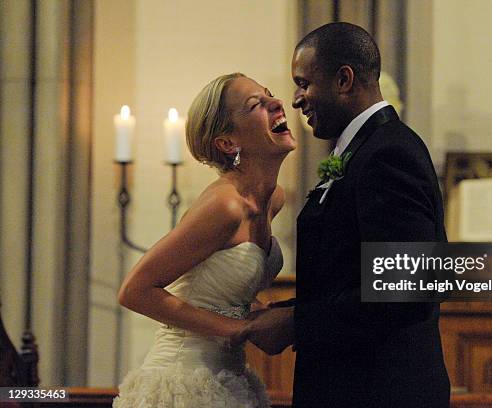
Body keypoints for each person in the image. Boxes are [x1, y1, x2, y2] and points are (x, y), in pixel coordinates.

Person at [240, 23, 451, 407]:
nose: (297, 99)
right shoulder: (365, 149)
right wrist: (286, 312)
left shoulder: (388, 154)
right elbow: (346, 277)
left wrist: (295, 324)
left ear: (343, 79)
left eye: (304, 83)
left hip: (378, 391)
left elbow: (407, 289)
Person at [113, 72, 296, 408]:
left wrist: (262, 316)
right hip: (183, 380)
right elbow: (134, 291)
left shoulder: (275, 199)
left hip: (230, 378)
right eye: (257, 104)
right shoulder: (224, 205)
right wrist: (238, 329)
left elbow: (222, 294)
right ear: (228, 143)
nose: (277, 102)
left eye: (269, 94)